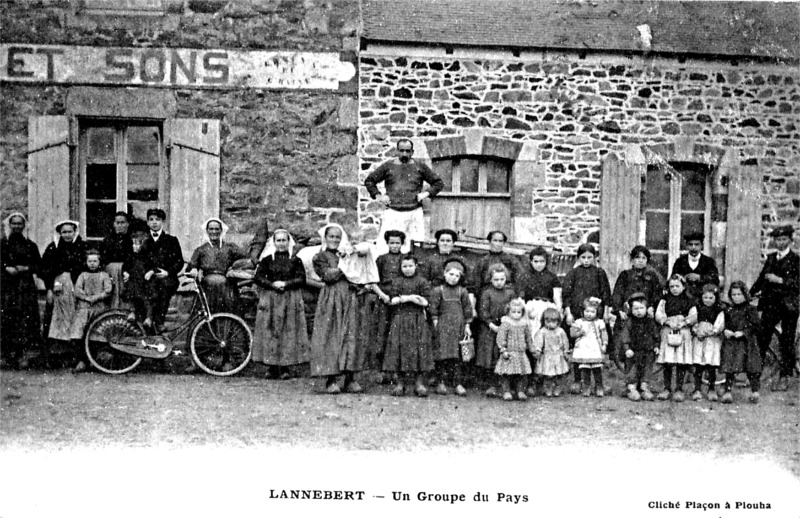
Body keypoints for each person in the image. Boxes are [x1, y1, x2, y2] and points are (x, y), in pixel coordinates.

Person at [364, 139, 445, 254]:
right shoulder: (388, 166)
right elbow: (370, 181)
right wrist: (379, 196)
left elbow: (438, 183)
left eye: (408, 151)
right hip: (393, 213)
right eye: (401, 151)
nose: (404, 154)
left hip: (414, 213)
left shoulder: (420, 166)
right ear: (397, 151)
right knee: (386, 247)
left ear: (412, 152)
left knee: (414, 247)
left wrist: (425, 194)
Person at [309, 224, 363, 394]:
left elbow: (358, 274)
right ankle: (330, 379)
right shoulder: (320, 257)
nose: (334, 240)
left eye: (337, 237)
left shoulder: (347, 255)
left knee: (350, 335)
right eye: (331, 236)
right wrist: (346, 264)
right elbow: (328, 275)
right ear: (325, 238)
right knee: (330, 335)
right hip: (331, 299)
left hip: (349, 297)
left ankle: (350, 378)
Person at [252, 229, 309, 379]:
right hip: (271, 299)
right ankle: (271, 367)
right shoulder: (267, 260)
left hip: (289, 298)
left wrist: (286, 283)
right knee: (270, 330)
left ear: (288, 242)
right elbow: (257, 277)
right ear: (274, 242)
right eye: (279, 240)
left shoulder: (295, 260)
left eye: (284, 240)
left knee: (288, 331)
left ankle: (285, 367)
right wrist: (272, 285)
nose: (281, 243)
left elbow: (301, 279)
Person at [750, 225, 798, 392]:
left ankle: (784, 377)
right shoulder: (771, 258)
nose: (781, 242)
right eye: (778, 239)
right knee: (762, 337)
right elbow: (761, 280)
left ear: (790, 241)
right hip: (771, 304)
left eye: (784, 239)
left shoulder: (796, 260)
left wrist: (780, 280)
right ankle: (755, 374)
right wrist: (749, 294)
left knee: (787, 341)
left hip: (789, 306)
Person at [561, 243, 611, 394]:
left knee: (595, 347)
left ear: (595, 258)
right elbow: (566, 295)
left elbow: (606, 294)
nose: (586, 260)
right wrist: (568, 313)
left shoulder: (599, 272)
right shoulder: (573, 273)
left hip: (595, 315)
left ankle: (599, 383)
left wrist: (607, 312)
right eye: (583, 257)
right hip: (578, 315)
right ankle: (578, 381)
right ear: (578, 258)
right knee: (579, 348)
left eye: (590, 257)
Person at [383, 255, 433, 397]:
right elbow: (392, 300)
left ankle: (419, 383)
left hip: (417, 319)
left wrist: (405, 298)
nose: (407, 269)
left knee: (419, 349)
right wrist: (411, 298)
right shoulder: (397, 281)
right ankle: (400, 383)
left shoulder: (422, 281)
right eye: (404, 266)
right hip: (400, 318)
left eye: (410, 266)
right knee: (399, 349)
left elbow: (425, 302)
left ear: (416, 266)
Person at [40, 220, 86, 368]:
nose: (67, 235)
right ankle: (53, 356)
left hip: (76, 285)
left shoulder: (82, 247)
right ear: (60, 233)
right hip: (58, 286)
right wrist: (49, 288)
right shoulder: (53, 248)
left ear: (75, 232)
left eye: (70, 232)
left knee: (75, 318)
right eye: (64, 232)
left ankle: (76, 356)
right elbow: (45, 269)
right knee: (55, 319)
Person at [1, 213, 41, 369]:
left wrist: (26, 268)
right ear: (9, 225)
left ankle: (23, 355)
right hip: (7, 286)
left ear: (24, 226)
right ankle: (7, 355)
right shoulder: (3, 244)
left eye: (20, 224)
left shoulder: (31, 245)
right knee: (8, 318)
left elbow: (38, 265)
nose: (17, 226)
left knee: (25, 319)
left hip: (25, 287)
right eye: (14, 224)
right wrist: (6, 267)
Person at [611, 245, 664, 361]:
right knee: (626, 339)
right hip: (628, 314)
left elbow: (657, 294)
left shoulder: (652, 276)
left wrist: (652, 307)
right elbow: (617, 294)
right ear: (632, 260)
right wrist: (619, 310)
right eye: (637, 258)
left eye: (644, 258)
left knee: (645, 343)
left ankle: (644, 370)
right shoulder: (625, 275)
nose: (640, 261)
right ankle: (628, 371)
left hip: (645, 316)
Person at [429, 258, 473, 396]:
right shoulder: (438, 290)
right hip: (443, 327)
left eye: (457, 276)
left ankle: (458, 384)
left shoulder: (462, 292)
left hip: (458, 327)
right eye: (451, 274)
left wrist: (467, 325)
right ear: (444, 274)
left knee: (457, 357)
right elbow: (433, 308)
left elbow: (467, 309)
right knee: (442, 356)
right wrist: (436, 322)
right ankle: (441, 382)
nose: (453, 278)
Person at [189, 217, 246, 314]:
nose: (214, 232)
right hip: (208, 284)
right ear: (207, 231)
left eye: (216, 229)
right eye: (211, 229)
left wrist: (234, 268)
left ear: (221, 230)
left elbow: (244, 258)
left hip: (227, 283)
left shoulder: (230, 248)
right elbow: (192, 265)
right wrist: (194, 269)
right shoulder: (201, 249)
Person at [655, 274, 697, 402]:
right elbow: (659, 314)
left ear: (683, 287)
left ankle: (679, 389)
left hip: (683, 332)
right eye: (671, 286)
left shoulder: (689, 300)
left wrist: (684, 323)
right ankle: (667, 388)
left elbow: (694, 315)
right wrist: (666, 321)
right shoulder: (664, 300)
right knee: (668, 361)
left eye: (677, 286)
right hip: (668, 331)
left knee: (681, 361)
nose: (674, 289)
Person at [476, 264, 516, 397]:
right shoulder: (487, 292)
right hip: (489, 328)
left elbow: (514, 309)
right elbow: (483, 311)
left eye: (502, 279)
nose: (499, 283)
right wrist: (492, 325)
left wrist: (506, 323)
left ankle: (504, 385)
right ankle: (491, 385)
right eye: (496, 280)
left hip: (505, 327)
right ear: (491, 280)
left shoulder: (510, 292)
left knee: (504, 354)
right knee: (489, 356)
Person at [371, 230, 407, 381]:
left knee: (398, 334)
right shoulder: (381, 259)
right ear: (387, 243)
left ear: (402, 244)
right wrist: (383, 296)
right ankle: (382, 370)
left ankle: (397, 370)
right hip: (384, 300)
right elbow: (373, 280)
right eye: (392, 243)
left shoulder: (406, 259)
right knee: (382, 333)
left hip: (400, 301)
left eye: (397, 243)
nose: (394, 245)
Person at [69, 250, 112, 371]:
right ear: (86, 262)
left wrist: (97, 297)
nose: (92, 264)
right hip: (84, 309)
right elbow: (77, 290)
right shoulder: (83, 275)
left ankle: (94, 361)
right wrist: (87, 297)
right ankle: (82, 361)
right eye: (90, 261)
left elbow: (108, 290)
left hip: (98, 309)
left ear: (99, 262)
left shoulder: (104, 275)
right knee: (79, 334)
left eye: (95, 261)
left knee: (96, 336)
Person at [721, 281, 762, 404]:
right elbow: (725, 324)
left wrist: (744, 332)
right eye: (733, 295)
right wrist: (726, 331)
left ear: (745, 294)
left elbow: (756, 326)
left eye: (739, 294)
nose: (736, 297)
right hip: (733, 343)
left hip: (747, 343)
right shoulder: (729, 309)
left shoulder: (751, 309)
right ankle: (727, 391)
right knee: (730, 365)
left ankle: (755, 391)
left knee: (751, 367)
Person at [144, 208, 184, 331]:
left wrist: (168, 272)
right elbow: (139, 260)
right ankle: (147, 319)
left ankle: (159, 321)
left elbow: (179, 261)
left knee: (164, 287)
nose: (154, 222)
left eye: (158, 219)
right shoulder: (143, 240)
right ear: (147, 222)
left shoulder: (171, 240)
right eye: (151, 219)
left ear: (163, 222)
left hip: (167, 277)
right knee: (148, 288)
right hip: (148, 276)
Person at [619, 293, 660, 402]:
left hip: (647, 350)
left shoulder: (650, 321)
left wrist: (656, 346)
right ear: (631, 309)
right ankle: (631, 389)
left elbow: (655, 334)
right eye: (635, 308)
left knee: (646, 369)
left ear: (647, 309)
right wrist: (627, 348)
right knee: (632, 370)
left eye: (642, 308)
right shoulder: (629, 321)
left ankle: (644, 388)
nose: (639, 311)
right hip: (633, 351)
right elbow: (625, 335)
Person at [494, 298, 534, 401]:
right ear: (508, 312)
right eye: (513, 312)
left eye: (519, 312)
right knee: (505, 374)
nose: (516, 314)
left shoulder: (524, 324)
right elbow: (501, 337)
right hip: (509, 352)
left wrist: (532, 348)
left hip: (520, 353)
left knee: (522, 374)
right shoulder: (506, 323)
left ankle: (520, 391)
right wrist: (503, 350)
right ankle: (506, 391)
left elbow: (528, 338)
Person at [690, 284, 725, 401]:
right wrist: (697, 331)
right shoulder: (696, 308)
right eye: (705, 297)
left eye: (711, 298)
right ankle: (697, 389)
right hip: (699, 340)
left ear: (716, 298)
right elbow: (692, 322)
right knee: (699, 365)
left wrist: (711, 331)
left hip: (712, 340)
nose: (708, 300)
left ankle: (711, 388)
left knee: (711, 365)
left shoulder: (719, 310)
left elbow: (719, 325)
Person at [569, 297, 609, 397]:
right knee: (585, 369)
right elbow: (572, 334)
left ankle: (599, 386)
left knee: (596, 368)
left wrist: (604, 344)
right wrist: (579, 333)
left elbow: (604, 334)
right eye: (587, 311)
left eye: (592, 312)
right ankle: (586, 386)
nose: (589, 314)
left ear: (597, 312)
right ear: (583, 311)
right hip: (584, 348)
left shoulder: (599, 322)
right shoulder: (579, 322)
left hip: (595, 347)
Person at [520, 246, 562, 340]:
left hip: (547, 307)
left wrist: (558, 310)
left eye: (542, 261)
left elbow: (557, 296)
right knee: (532, 333)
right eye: (536, 261)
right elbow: (521, 297)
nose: (539, 265)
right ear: (531, 262)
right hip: (531, 308)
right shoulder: (525, 276)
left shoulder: (552, 277)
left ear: (546, 261)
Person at [472, 231, 525, 296]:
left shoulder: (511, 260)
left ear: (504, 243)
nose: (498, 244)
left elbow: (520, 276)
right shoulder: (483, 261)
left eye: (500, 241)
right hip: (488, 294)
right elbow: (477, 282)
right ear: (489, 242)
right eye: (495, 240)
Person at [670, 231, 720, 300]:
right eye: (690, 244)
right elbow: (673, 279)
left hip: (703, 299)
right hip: (684, 299)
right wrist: (681, 278)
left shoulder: (709, 261)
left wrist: (700, 277)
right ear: (686, 246)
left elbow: (715, 280)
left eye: (697, 244)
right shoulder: (680, 261)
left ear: (701, 246)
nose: (693, 247)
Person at [532, 307, 570, 397]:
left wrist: (566, 352)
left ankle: (558, 388)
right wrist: (537, 351)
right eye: (548, 322)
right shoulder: (542, 332)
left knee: (559, 374)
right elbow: (538, 342)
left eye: (553, 322)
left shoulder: (560, 331)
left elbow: (565, 342)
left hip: (558, 355)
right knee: (548, 375)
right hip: (547, 356)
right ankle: (548, 388)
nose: (550, 324)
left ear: (558, 322)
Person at [121, 231, 156, 328]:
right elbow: (125, 266)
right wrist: (125, 272)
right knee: (133, 298)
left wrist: (151, 272)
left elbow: (155, 266)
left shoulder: (149, 257)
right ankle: (132, 313)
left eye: (136, 244)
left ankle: (149, 317)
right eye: (133, 244)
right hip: (134, 281)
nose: (133, 246)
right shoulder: (132, 256)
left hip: (145, 283)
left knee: (147, 300)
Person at [99, 211, 132, 309]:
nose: (120, 225)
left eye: (123, 223)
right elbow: (103, 258)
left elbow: (133, 258)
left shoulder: (131, 240)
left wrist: (127, 270)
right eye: (118, 223)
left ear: (127, 224)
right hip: (111, 271)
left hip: (127, 272)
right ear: (114, 224)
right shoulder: (107, 240)